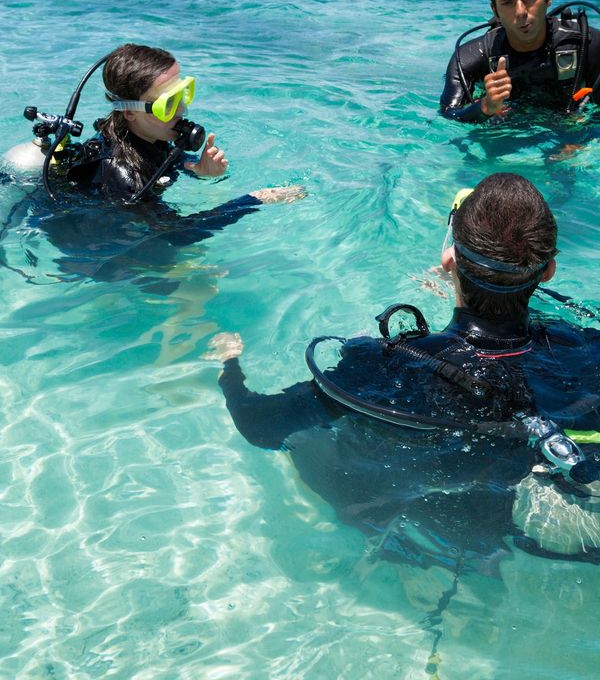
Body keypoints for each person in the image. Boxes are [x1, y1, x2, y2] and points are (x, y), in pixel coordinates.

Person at [211, 173, 600, 567]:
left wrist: (228, 365)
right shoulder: (586, 352)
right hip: (537, 507)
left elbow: (259, 426)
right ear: (548, 271)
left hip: (433, 523)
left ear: (449, 260)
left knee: (316, 443)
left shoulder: (387, 364)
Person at [2, 44, 303, 283]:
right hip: (93, 254)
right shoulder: (124, 177)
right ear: (131, 112)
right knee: (200, 286)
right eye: (168, 103)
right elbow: (179, 233)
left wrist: (198, 171)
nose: (183, 108)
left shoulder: (139, 133)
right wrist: (253, 200)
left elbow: (160, 163)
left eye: (184, 93)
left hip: (113, 224)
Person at [440, 0, 600, 122]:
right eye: (508, 3)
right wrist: (485, 107)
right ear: (495, 11)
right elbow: (448, 115)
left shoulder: (587, 45)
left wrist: (580, 137)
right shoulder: (468, 58)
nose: (521, 11)